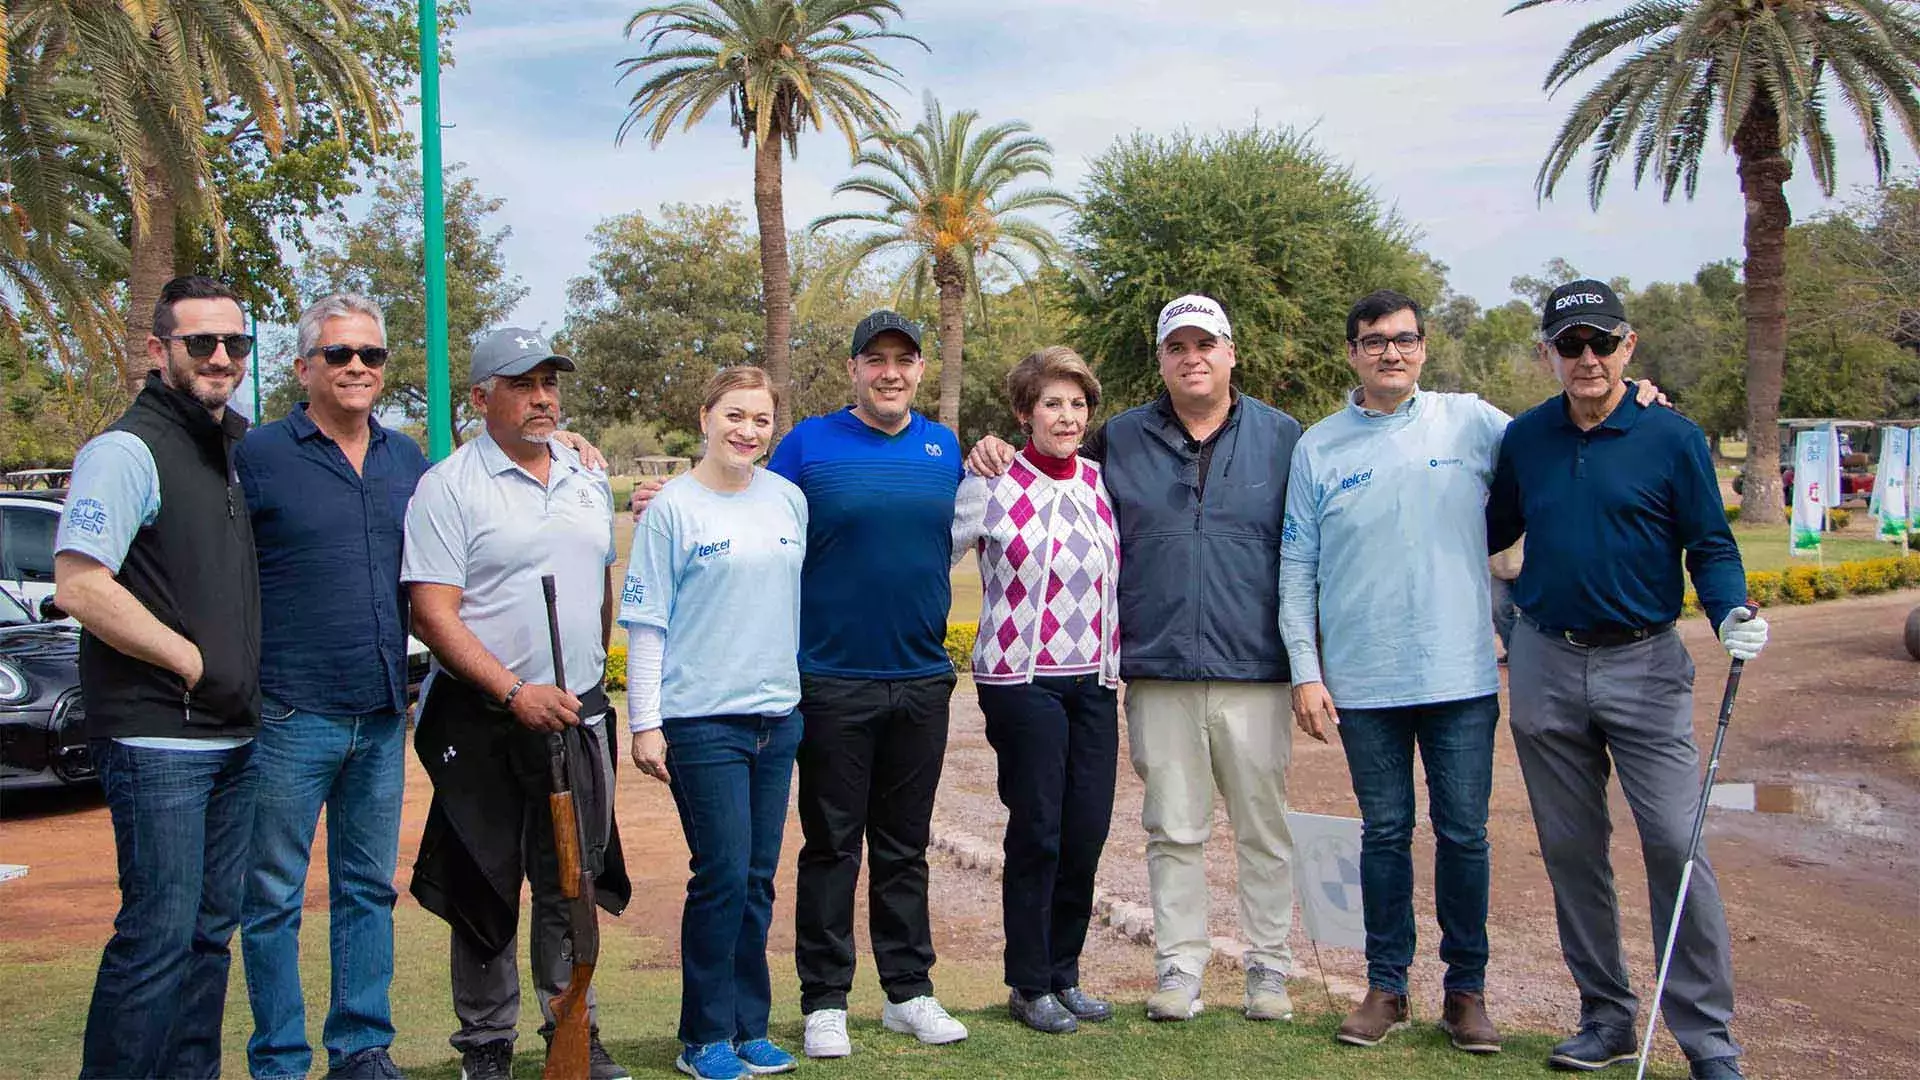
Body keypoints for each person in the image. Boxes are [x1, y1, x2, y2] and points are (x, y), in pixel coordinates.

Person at [237, 297, 606, 1080]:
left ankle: (361, 1049)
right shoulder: (259, 454)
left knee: (368, 889)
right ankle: (277, 1059)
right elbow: (432, 607)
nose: (358, 368)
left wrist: (565, 442)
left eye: (370, 356)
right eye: (339, 356)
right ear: (305, 367)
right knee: (272, 895)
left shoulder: (406, 459)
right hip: (292, 707)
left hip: (380, 711)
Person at [968, 295, 1302, 1023]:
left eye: (1205, 344)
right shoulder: (1120, 440)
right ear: (1160, 360)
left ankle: (1268, 972)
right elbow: (1012, 492)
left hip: (1249, 670)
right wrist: (987, 449)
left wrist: (1309, 665)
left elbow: (1308, 552)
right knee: (1168, 829)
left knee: (1260, 830)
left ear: (1230, 352)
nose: (1193, 358)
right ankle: (1174, 970)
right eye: (1177, 346)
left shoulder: (1283, 438)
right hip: (1151, 673)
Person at [1487, 280, 1770, 1080]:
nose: (1586, 358)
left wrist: (1727, 612)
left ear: (1628, 347)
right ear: (1548, 351)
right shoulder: (1526, 437)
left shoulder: (1672, 438)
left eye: (1600, 343)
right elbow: (1492, 524)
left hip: (1644, 663)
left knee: (1676, 843)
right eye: (1569, 344)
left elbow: (1709, 544)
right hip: (1544, 657)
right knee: (1572, 849)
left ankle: (1708, 1038)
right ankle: (1605, 1016)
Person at [1279, 289, 1510, 1053]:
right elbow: (1297, 567)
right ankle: (1386, 985)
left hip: (1462, 677)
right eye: (1374, 341)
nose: (1391, 353)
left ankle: (1465, 993)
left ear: (1424, 346)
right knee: (1385, 833)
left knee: (1465, 835)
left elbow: (1560, 444)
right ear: (1351, 353)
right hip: (1364, 681)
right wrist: (1306, 671)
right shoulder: (1320, 445)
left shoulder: (1471, 421)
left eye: (1404, 339)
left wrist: (1634, 398)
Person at [401, 328, 630, 1080]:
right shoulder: (448, 485)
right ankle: (486, 1046)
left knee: (572, 883)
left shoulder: (585, 474)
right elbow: (432, 613)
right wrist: (511, 689)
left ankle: (573, 1032)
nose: (542, 398)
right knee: (486, 886)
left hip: (577, 716)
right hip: (487, 716)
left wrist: (586, 682)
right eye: (522, 384)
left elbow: (598, 587)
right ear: (479, 398)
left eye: (549, 383)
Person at [55, 275, 262, 1078]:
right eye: (200, 343)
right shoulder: (125, 449)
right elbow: (80, 582)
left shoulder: (227, 449)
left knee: (208, 939)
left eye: (235, 344)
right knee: (158, 939)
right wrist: (191, 660)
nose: (220, 357)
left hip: (231, 735)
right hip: (157, 736)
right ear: (157, 350)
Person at [619, 366, 808, 1080]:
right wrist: (645, 722)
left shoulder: (788, 501)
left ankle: (747, 1028)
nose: (747, 431)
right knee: (723, 873)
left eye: (760, 420)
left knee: (758, 878)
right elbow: (646, 620)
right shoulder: (673, 508)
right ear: (705, 416)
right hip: (702, 722)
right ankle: (702, 1038)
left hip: (776, 718)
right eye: (735, 415)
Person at [950, 347, 1122, 1036]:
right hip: (1021, 682)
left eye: (1078, 404)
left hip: (1095, 681)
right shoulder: (989, 481)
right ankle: (1028, 982)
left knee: (1087, 832)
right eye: (1052, 403)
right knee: (1040, 831)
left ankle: (1065, 972)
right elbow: (934, 557)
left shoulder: (1101, 483)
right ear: (1025, 412)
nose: (1067, 415)